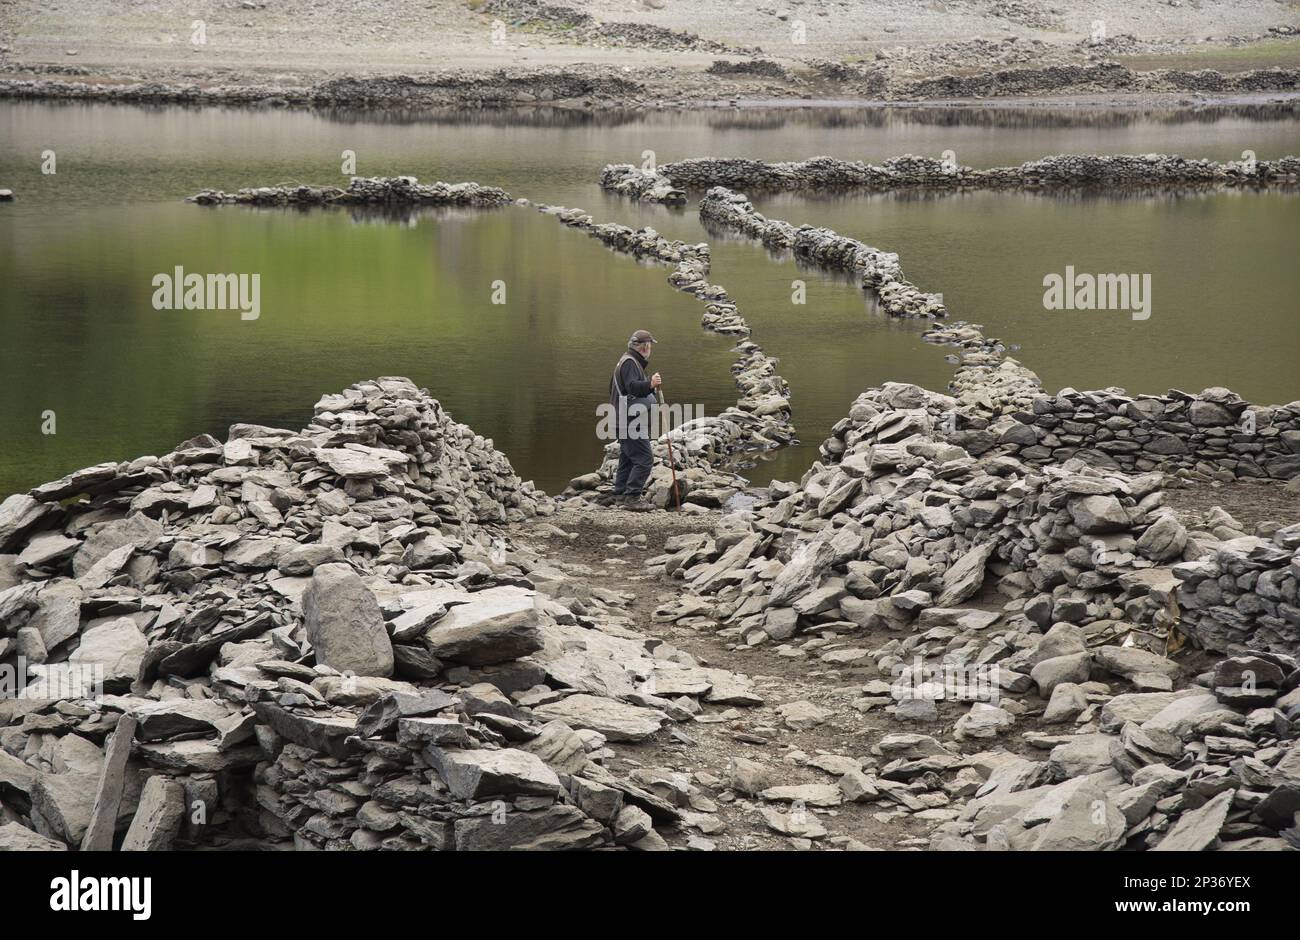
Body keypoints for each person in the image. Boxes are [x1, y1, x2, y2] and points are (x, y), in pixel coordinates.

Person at [603, 329, 662, 509]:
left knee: (627, 457)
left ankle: (620, 495)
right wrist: (650, 384)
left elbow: (621, 389)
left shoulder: (627, 360)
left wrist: (648, 386)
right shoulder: (630, 363)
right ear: (644, 347)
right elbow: (632, 387)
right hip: (628, 421)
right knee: (645, 459)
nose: (650, 348)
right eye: (649, 345)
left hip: (623, 419)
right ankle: (633, 498)